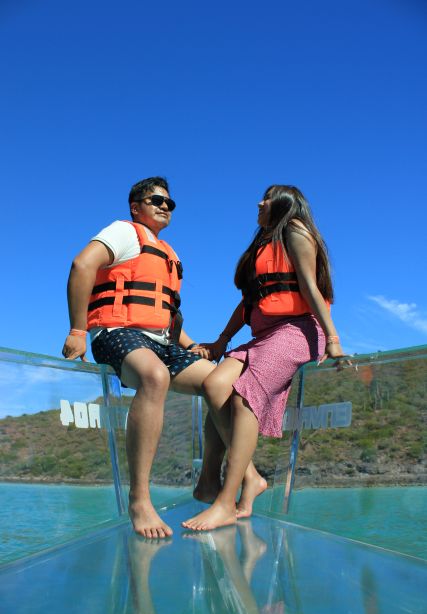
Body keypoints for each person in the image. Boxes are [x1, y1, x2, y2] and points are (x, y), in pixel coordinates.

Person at [183, 185, 348, 531]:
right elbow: (249, 304)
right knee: (214, 385)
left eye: (269, 198)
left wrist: (333, 339)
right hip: (263, 336)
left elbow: (308, 286)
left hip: (300, 329)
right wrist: (221, 341)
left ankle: (228, 501)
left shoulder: (296, 230)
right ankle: (245, 479)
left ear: (286, 205)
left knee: (245, 395)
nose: (260, 202)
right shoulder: (262, 243)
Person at [62, 176, 219, 538]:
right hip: (116, 332)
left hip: (162, 342)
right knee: (155, 377)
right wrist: (77, 330)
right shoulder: (123, 232)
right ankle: (140, 499)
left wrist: (194, 345)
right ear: (136, 207)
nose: (165, 206)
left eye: (170, 203)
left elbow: (166, 315)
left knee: (221, 383)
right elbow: (82, 266)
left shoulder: (169, 256)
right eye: (156, 200)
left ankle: (228, 479)